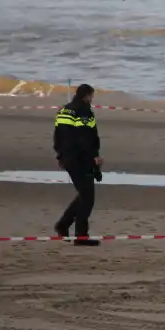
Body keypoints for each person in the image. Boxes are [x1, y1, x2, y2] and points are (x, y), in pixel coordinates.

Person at [53, 84, 103, 246]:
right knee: (88, 197)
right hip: (81, 158)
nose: (92, 100)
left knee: (84, 194)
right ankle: (81, 236)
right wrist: (94, 156)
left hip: (68, 158)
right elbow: (86, 137)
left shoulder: (64, 110)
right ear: (86, 96)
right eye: (91, 97)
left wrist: (60, 155)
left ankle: (63, 224)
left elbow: (58, 135)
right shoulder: (84, 111)